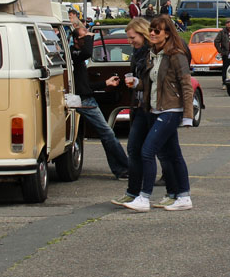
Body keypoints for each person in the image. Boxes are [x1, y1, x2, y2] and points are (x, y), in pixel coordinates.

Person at [119, 16, 195, 211]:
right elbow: (152, 83)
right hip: (155, 108)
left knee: (147, 151)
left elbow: (186, 85)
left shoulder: (176, 55)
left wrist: (188, 115)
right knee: (173, 154)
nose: (152, 33)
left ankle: (144, 197)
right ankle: (183, 196)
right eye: (151, 30)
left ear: (167, 33)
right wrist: (137, 84)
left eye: (157, 31)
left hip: (171, 110)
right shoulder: (154, 54)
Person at [68, 18, 131, 180]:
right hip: (81, 100)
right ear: (76, 40)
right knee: (107, 133)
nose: (87, 40)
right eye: (84, 38)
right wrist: (90, 35)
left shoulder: (78, 59)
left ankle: (121, 168)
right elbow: (88, 52)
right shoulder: (74, 54)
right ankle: (124, 168)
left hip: (84, 98)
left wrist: (105, 83)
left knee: (106, 134)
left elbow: (85, 85)